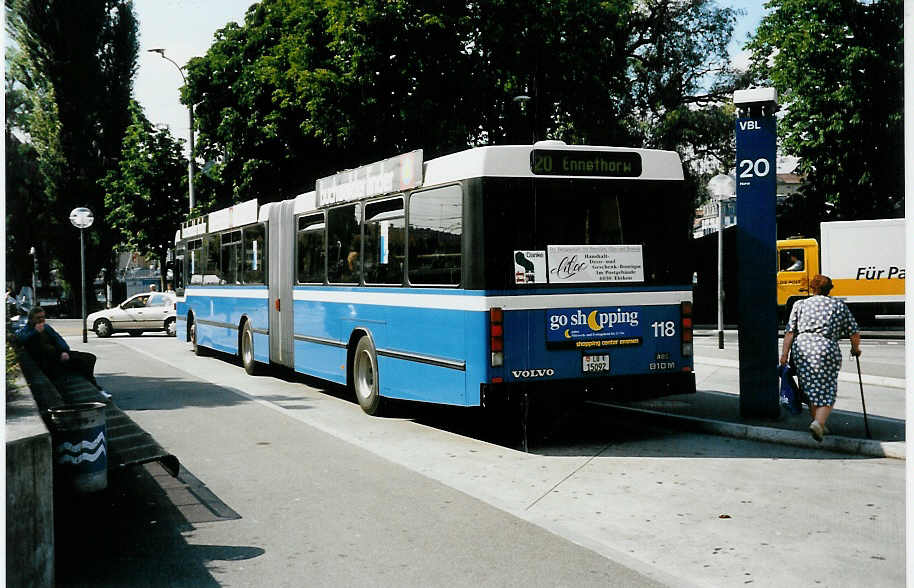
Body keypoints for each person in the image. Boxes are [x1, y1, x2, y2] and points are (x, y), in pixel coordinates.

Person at [779, 275, 861, 442]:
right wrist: (855, 349)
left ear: (812, 288)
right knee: (828, 388)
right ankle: (819, 422)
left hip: (802, 348)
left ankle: (819, 423)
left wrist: (784, 355)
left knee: (810, 387)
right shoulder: (839, 305)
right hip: (826, 348)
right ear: (830, 289)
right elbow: (854, 332)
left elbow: (790, 332)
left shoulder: (799, 304)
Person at [16, 306, 110, 400]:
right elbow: (21, 338)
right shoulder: (26, 330)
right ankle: (96, 388)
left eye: (43, 317)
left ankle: (94, 386)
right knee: (80, 364)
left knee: (89, 358)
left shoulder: (47, 328)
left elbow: (59, 339)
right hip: (47, 360)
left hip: (58, 355)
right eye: (38, 318)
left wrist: (64, 351)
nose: (41, 320)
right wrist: (35, 332)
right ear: (31, 319)